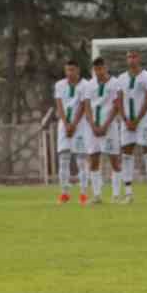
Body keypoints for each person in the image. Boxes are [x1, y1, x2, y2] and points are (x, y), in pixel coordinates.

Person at [71, 55, 123, 205]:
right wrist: (92, 124)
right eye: (96, 69)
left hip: (109, 127)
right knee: (94, 160)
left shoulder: (115, 83)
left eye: (101, 68)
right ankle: (97, 195)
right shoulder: (89, 85)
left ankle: (116, 195)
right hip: (92, 128)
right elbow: (87, 106)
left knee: (114, 161)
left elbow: (117, 105)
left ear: (105, 68)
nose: (98, 71)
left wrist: (106, 124)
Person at [116, 50, 147, 204]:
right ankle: (128, 194)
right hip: (127, 122)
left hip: (143, 122)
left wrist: (137, 120)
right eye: (129, 57)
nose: (131, 59)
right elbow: (119, 100)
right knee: (126, 154)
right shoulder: (121, 78)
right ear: (126, 59)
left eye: (134, 56)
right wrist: (125, 119)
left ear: (139, 58)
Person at [53, 60, 87, 203]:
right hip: (64, 125)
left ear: (78, 70)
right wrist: (66, 124)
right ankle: (64, 192)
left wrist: (73, 124)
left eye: (72, 70)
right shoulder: (60, 85)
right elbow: (59, 106)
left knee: (81, 161)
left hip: (80, 126)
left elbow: (83, 105)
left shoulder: (86, 85)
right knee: (64, 160)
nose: (69, 73)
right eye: (67, 70)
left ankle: (83, 193)